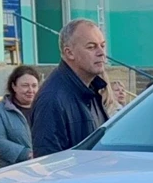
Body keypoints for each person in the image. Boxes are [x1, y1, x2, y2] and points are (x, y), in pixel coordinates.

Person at [31, 19, 124, 157]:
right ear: (69, 53)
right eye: (91, 47)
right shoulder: (52, 99)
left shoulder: (92, 89)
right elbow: (48, 160)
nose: (101, 53)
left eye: (102, 46)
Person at [0, 65, 39, 167]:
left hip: (42, 167)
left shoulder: (44, 108)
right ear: (14, 86)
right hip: (11, 170)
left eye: (34, 86)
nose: (30, 90)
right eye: (25, 85)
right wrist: (26, 154)